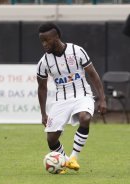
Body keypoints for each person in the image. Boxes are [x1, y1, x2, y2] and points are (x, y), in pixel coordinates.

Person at [36, 23, 107, 173]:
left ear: (56, 37)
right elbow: (42, 88)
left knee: (85, 117)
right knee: (51, 138)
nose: (44, 44)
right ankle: (65, 162)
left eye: (46, 40)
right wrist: (43, 113)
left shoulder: (77, 51)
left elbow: (93, 75)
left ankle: (73, 157)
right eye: (42, 41)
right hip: (61, 99)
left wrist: (102, 98)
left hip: (82, 94)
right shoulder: (44, 62)